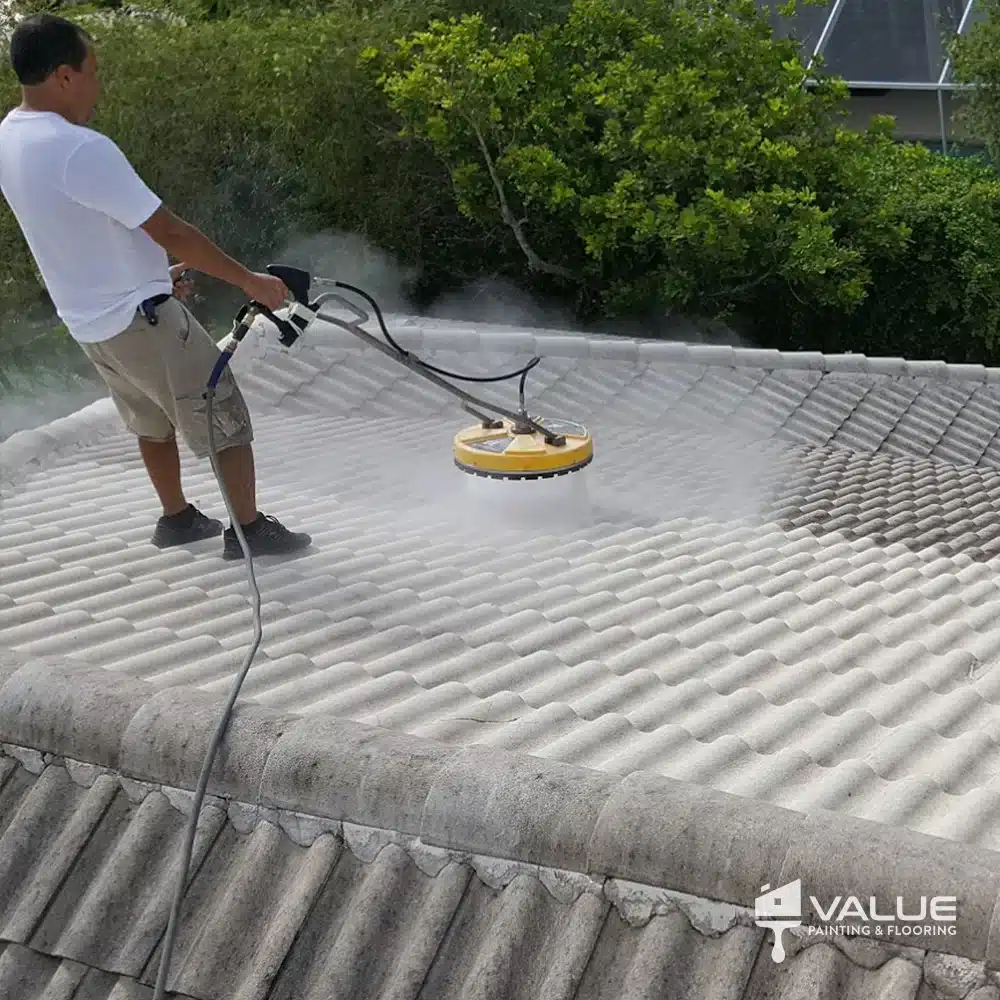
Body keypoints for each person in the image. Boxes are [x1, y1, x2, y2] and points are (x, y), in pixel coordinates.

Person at [0, 13, 312, 560]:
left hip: (92, 323)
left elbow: (72, 229)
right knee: (221, 411)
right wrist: (250, 281)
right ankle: (250, 532)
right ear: (63, 77)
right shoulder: (81, 148)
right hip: (141, 319)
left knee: (149, 414)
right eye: (92, 71)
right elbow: (168, 229)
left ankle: (177, 518)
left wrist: (149, 275)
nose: (98, 84)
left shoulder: (10, 137)